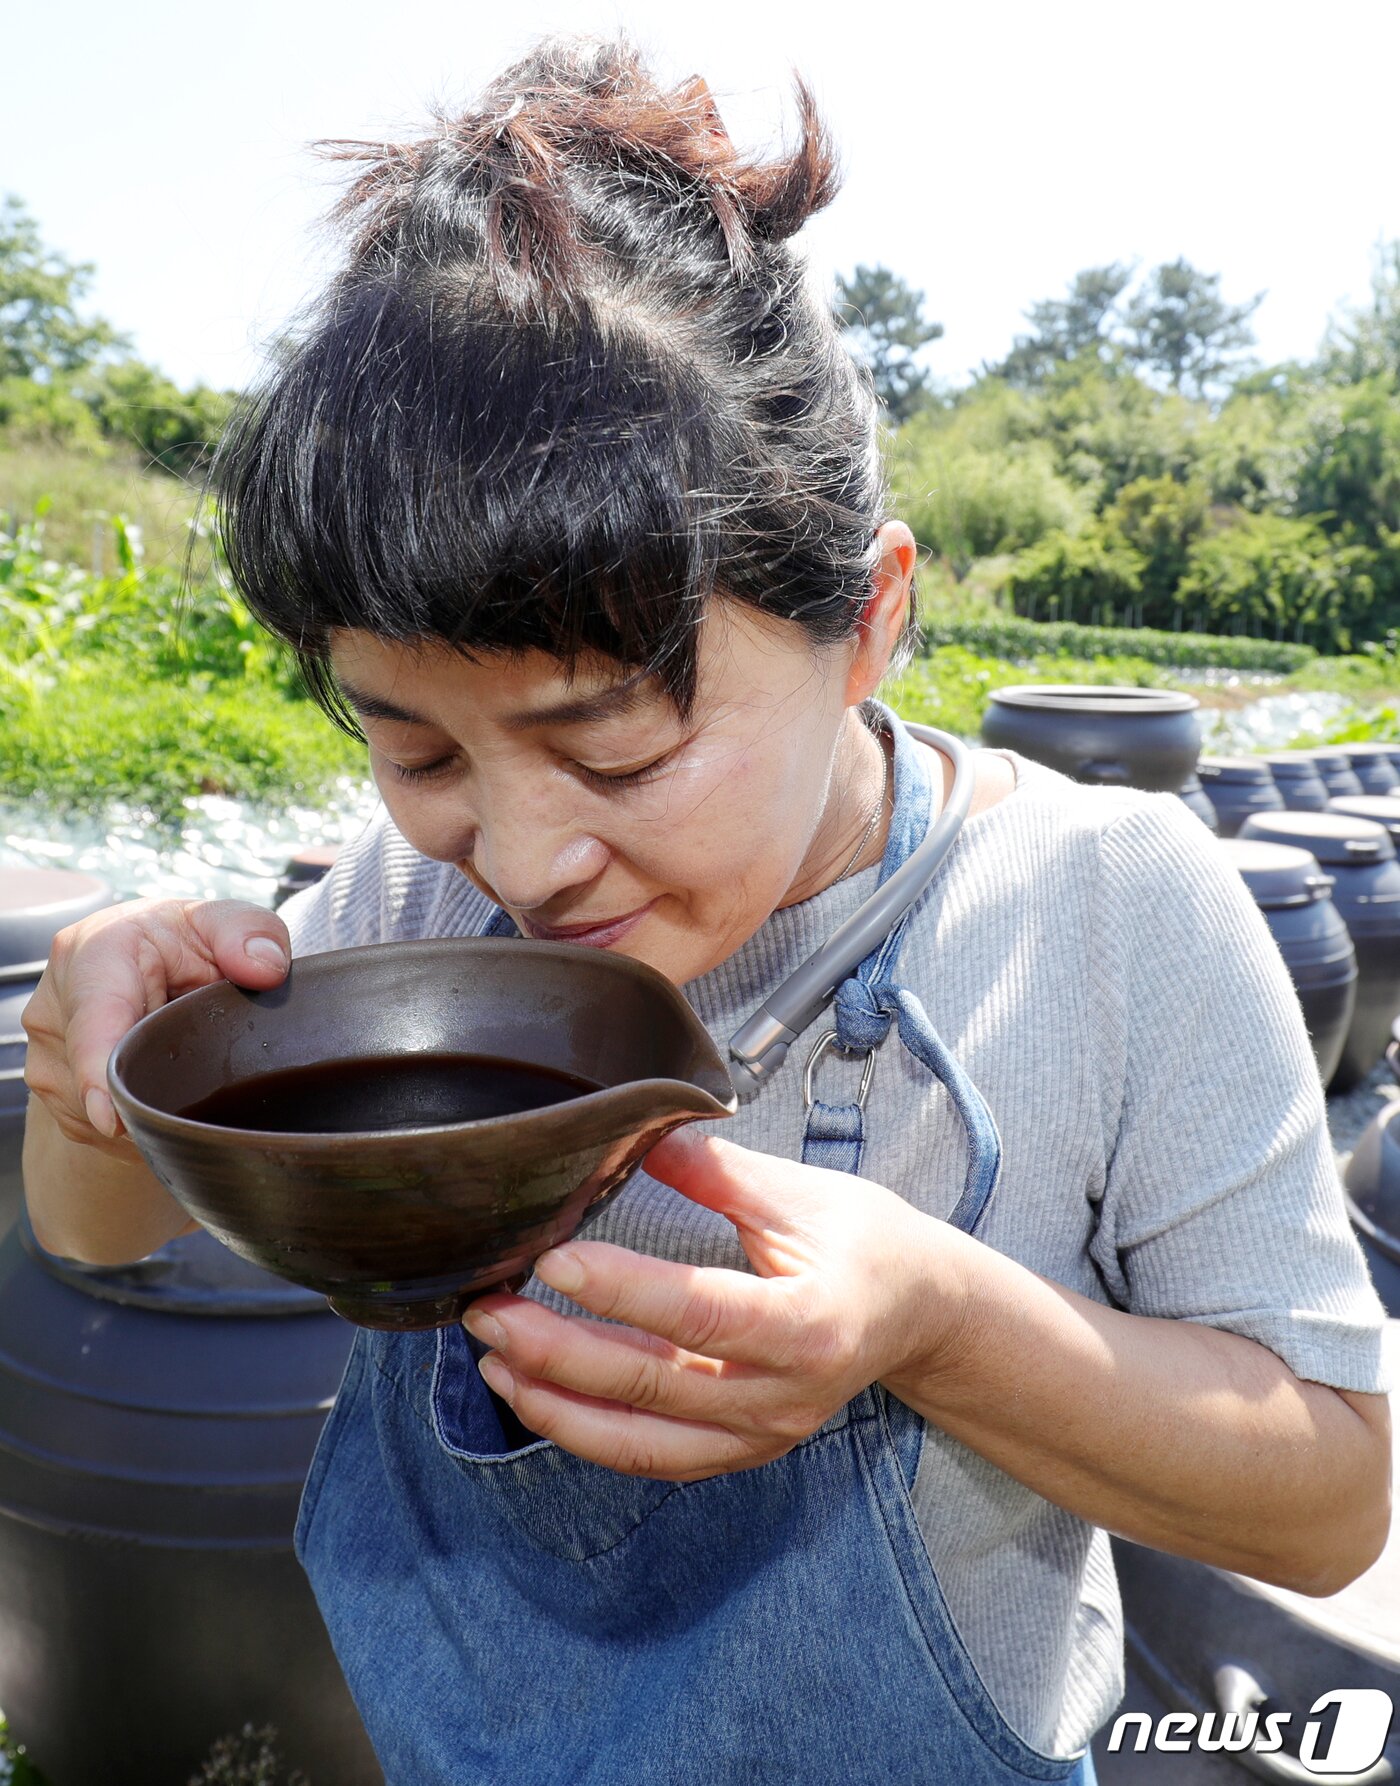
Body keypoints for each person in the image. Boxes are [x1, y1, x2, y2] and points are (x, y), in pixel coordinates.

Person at [20, 34, 1391, 1786]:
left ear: (871, 617)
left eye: (615, 742)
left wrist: (945, 1326)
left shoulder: (1111, 915)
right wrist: (100, 1084)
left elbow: (1334, 1497)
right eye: (418, 743)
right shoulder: (394, 907)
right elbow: (97, 1236)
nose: (516, 858)